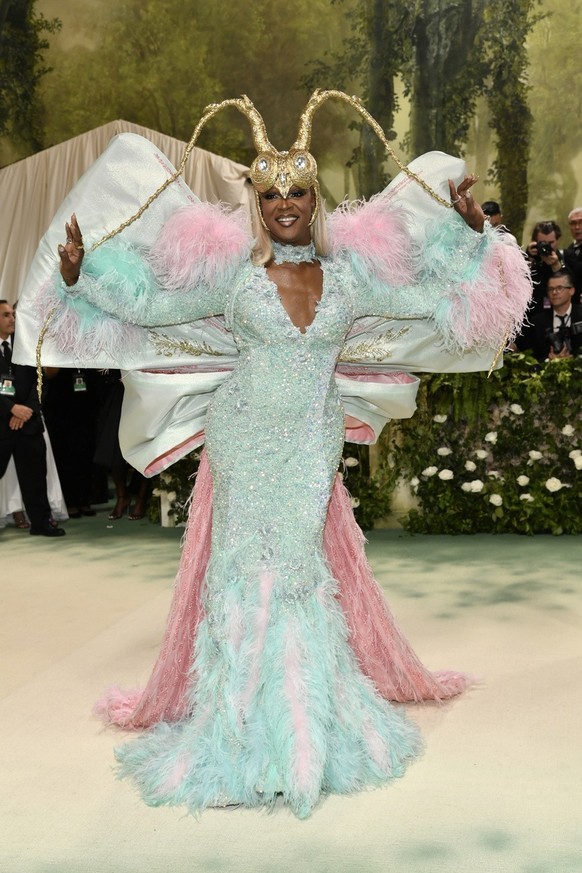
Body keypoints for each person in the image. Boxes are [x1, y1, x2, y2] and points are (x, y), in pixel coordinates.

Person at [24, 91, 531, 817]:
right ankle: (234, 732)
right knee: (241, 572)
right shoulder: (236, 280)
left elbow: (433, 298)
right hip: (242, 439)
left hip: (307, 443)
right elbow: (152, 309)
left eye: (296, 191)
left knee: (295, 571)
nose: (285, 203)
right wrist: (81, 276)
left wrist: (474, 234)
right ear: (257, 203)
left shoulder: (351, 281)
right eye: (271, 194)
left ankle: (301, 732)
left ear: (313, 198)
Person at [0, 300, 65, 537]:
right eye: (6, 315)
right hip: (2, 424)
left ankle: (41, 523)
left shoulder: (27, 345)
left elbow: (41, 383)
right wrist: (11, 409)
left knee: (35, 478)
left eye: (13, 315)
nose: (12, 319)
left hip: (28, 423)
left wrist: (25, 410)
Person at [515, 270, 582, 361]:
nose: (554, 292)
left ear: (571, 291)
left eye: (559, 288)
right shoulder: (537, 321)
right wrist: (549, 360)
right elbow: (530, 355)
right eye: (551, 289)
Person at [524, 220, 566, 314]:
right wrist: (529, 257)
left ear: (558, 240)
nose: (547, 247)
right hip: (533, 315)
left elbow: (569, 287)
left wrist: (556, 265)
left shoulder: (566, 258)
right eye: (543, 243)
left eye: (551, 243)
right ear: (535, 242)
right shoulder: (530, 258)